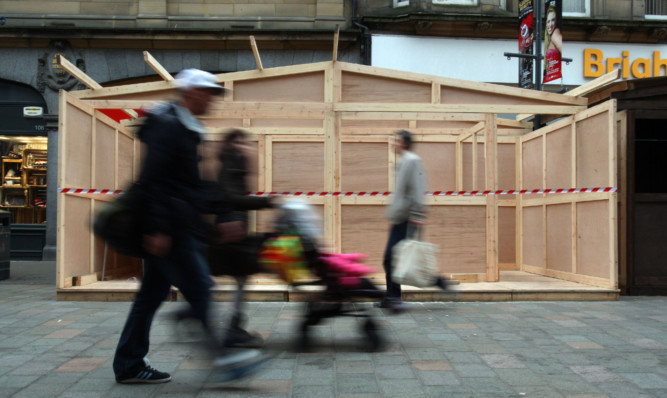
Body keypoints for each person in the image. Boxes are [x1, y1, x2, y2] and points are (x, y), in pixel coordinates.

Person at [112, 69, 265, 384]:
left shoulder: (183, 127)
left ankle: (129, 363)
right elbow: (153, 180)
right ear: (191, 92)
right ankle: (227, 360)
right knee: (201, 290)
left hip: (176, 224)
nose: (212, 99)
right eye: (208, 93)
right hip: (171, 229)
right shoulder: (168, 126)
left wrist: (223, 213)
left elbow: (191, 185)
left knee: (151, 296)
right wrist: (157, 228)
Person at [210, 128, 275, 348]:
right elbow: (230, 198)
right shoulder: (232, 161)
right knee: (238, 278)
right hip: (232, 228)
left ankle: (232, 328)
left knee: (240, 279)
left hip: (232, 226)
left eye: (244, 142)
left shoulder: (234, 164)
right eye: (239, 142)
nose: (244, 147)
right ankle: (231, 330)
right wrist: (266, 202)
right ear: (230, 145)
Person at [377, 130, 449, 311]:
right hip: (399, 218)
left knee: (390, 258)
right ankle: (394, 297)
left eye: (396, 140)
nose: (393, 143)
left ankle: (394, 297)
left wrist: (418, 216)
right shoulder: (403, 162)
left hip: (407, 219)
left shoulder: (412, 161)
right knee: (393, 258)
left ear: (404, 143)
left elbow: (418, 189)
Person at [544, 5, 563, 82]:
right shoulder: (549, 37)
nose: (550, 24)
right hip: (552, 77)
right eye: (548, 21)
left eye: (553, 20)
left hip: (556, 78)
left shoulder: (555, 34)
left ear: (556, 21)